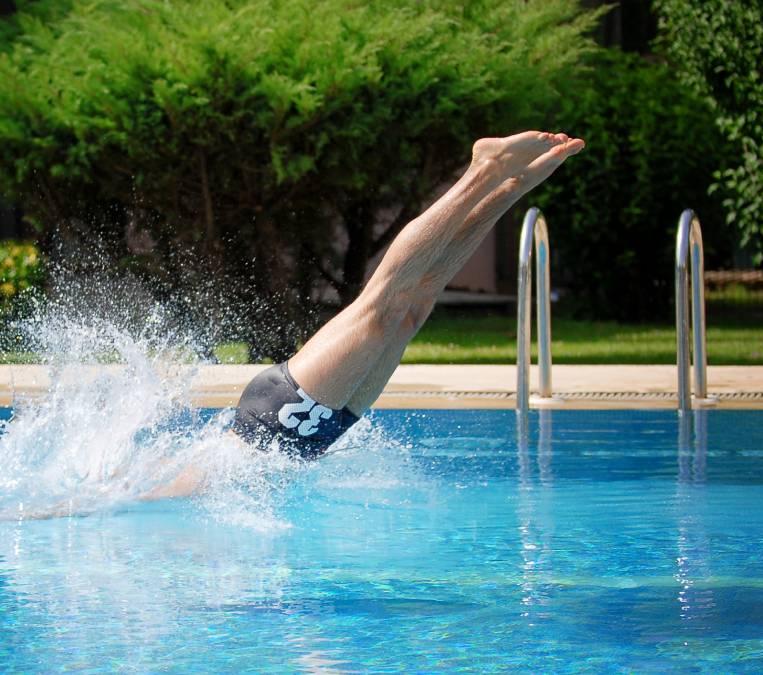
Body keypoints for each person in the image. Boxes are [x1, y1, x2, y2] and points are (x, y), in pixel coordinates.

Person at [146, 131, 585, 498]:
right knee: (415, 307)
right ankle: (510, 188)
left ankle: (483, 169)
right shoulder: (146, 486)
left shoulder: (133, 495)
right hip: (318, 433)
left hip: (278, 419)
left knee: (383, 306)